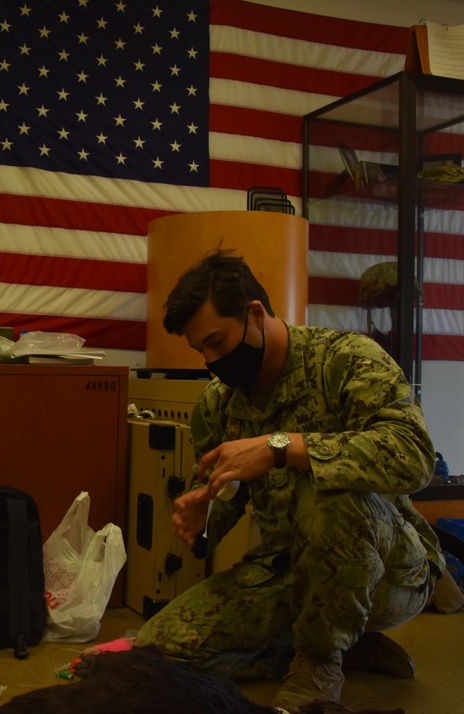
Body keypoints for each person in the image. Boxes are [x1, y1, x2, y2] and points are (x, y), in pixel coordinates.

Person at [134, 248, 448, 712]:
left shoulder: (345, 360)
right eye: (201, 349)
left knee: (325, 490)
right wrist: (206, 511)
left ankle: (320, 660)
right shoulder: (219, 403)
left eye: (217, 342)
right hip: (290, 570)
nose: (211, 361)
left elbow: (415, 457)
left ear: (255, 314)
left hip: (387, 572)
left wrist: (281, 448)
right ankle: (337, 644)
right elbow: (230, 493)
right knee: (160, 651)